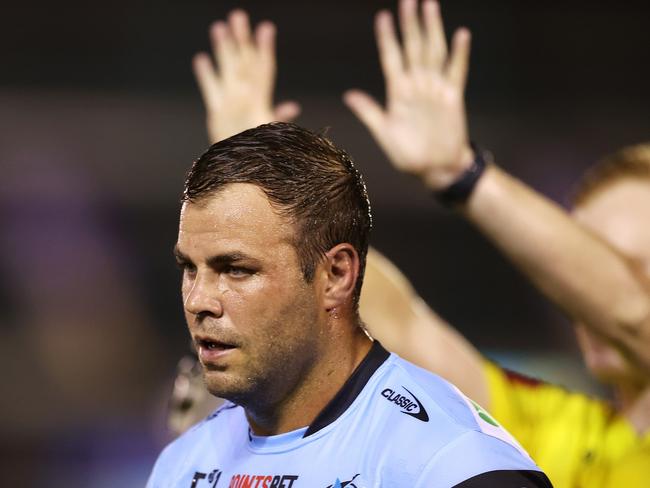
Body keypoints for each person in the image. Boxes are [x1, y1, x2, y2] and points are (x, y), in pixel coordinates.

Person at [171, 2, 650, 486]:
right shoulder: (544, 429)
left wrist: (463, 175)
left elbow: (634, 314)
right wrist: (263, 197)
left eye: (623, 265)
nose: (579, 286)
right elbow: (390, 318)